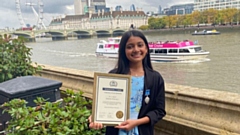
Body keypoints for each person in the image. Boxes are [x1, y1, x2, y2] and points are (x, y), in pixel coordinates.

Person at [88, 30, 166, 135]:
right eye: (130, 47)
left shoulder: (155, 78)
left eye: (140, 45)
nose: (136, 50)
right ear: (123, 51)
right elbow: (104, 104)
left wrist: (136, 122)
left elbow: (159, 111)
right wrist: (96, 117)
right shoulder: (114, 76)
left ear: (146, 48)